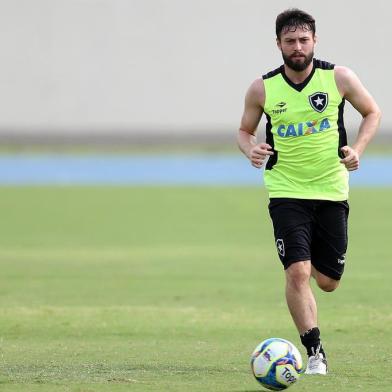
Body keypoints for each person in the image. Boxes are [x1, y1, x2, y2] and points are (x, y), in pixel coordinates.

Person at [238, 8, 381, 375]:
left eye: (304, 40)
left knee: (328, 282)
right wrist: (250, 147)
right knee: (297, 272)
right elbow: (244, 131)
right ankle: (315, 352)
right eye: (290, 41)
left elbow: (372, 113)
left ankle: (311, 263)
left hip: (332, 190)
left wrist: (357, 150)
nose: (297, 47)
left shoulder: (340, 79)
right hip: (285, 191)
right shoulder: (263, 88)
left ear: (315, 41)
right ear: (278, 45)